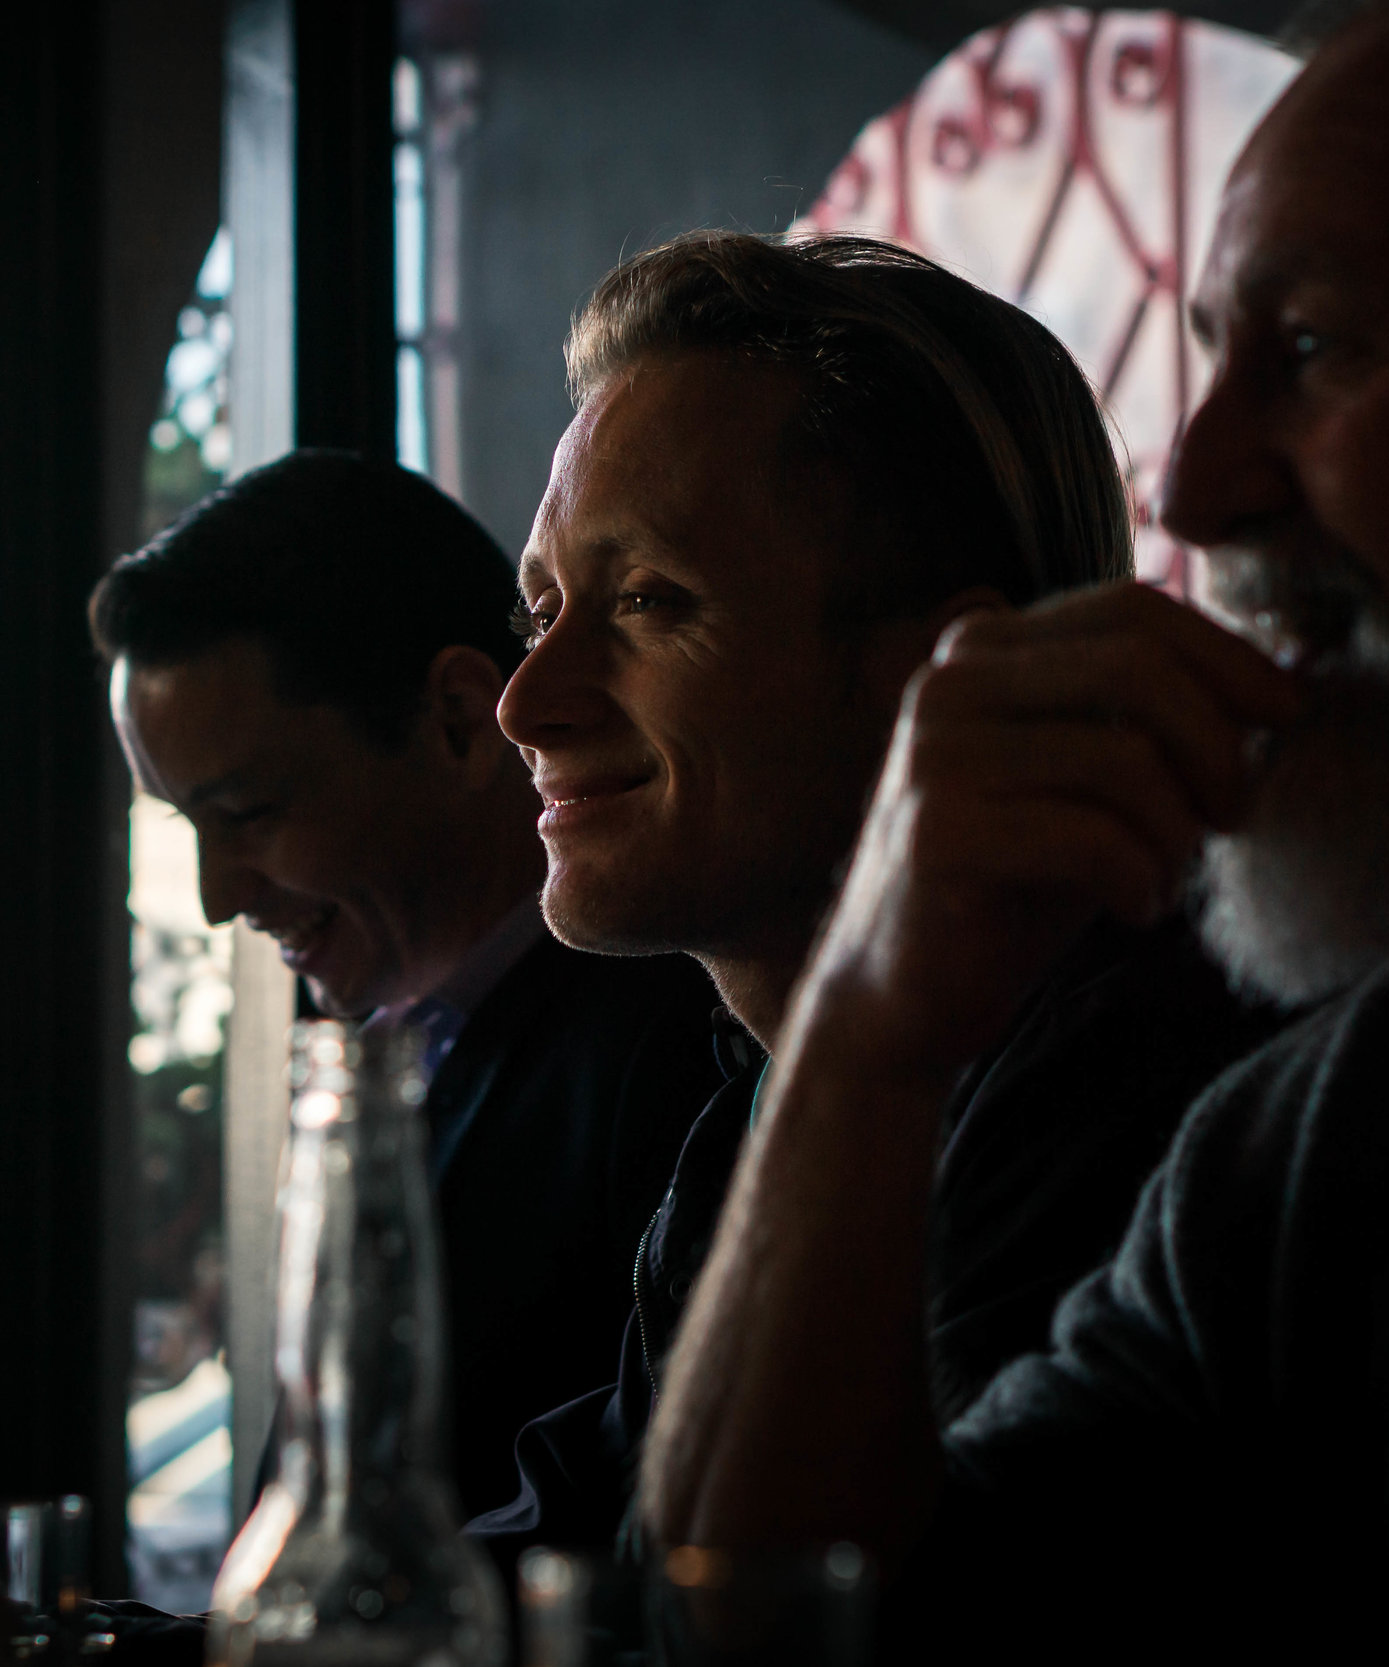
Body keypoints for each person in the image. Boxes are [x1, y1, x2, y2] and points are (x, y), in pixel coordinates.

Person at [641, 1, 1389, 1658]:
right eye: (1215, 351)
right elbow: (785, 1630)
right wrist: (868, 1031)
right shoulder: (1324, 1138)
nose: (1190, 486)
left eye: (1313, 347)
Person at [0, 452, 720, 1665]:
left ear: (455, 718)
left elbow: (576, 1571)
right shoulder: (405, 1060)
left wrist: (8, 1642)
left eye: (251, 811)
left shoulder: (672, 1052)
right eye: (189, 827)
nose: (220, 897)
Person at [466, 231, 1294, 1562]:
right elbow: (561, 1548)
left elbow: (776, 1616)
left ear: (943, 672)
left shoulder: (1124, 1093)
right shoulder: (755, 1098)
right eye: (540, 609)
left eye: (644, 601)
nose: (525, 701)